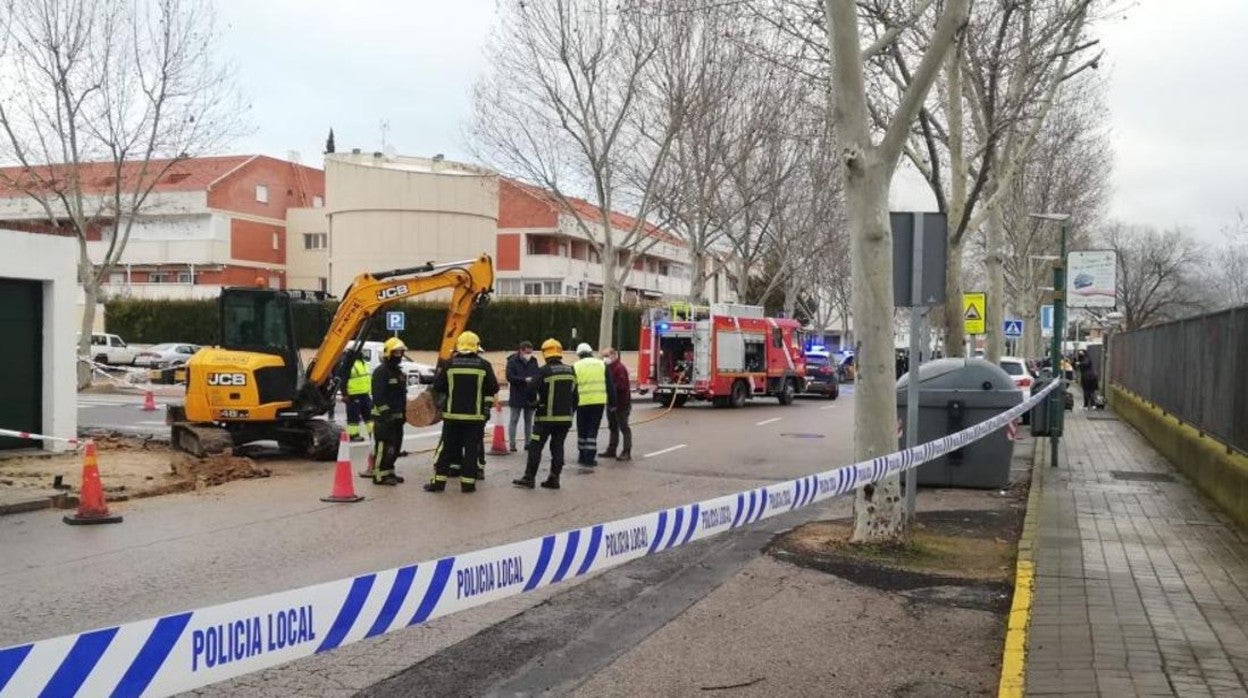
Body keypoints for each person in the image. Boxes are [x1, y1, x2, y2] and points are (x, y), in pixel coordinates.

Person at [426, 331, 499, 494]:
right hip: (475, 417)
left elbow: (438, 387)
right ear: (476, 346)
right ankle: (468, 485)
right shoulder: (484, 365)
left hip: (452, 416)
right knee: (471, 451)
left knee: (447, 450)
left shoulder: (449, 364)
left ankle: (438, 484)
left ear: (459, 346)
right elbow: (494, 388)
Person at [513, 339, 577, 490]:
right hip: (564, 419)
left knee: (535, 448)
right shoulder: (570, 371)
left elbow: (530, 391)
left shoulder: (543, 371)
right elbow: (576, 396)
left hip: (544, 419)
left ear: (544, 353)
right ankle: (554, 479)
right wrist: (570, 413)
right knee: (558, 448)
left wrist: (534, 404)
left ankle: (529, 478)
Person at [370, 337, 409, 486]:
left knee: (395, 446)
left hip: (397, 418)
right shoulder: (381, 372)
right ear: (388, 353)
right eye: (396, 352)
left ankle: (389, 471)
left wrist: (403, 414)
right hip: (383, 418)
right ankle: (379, 475)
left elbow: (401, 396)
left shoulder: (398, 372)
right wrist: (386, 414)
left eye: (401, 352)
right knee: (383, 446)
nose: (399, 356)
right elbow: (378, 395)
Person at [572, 343, 614, 467]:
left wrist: (571, 406)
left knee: (582, 430)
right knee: (592, 430)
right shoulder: (602, 365)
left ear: (579, 354)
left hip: (582, 403)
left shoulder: (575, 366)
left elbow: (572, 388)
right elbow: (610, 385)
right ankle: (589, 458)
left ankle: (582, 455)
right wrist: (612, 403)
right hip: (598, 403)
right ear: (591, 352)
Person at [505, 341, 540, 452]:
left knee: (528, 421)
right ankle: (512, 444)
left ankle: (528, 443)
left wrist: (534, 380)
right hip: (517, 394)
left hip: (530, 395)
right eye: (527, 352)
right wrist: (524, 380)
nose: (529, 354)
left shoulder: (534, 361)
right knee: (514, 419)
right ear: (521, 350)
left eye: (530, 352)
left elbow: (537, 374)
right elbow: (509, 376)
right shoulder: (512, 361)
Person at [599, 347, 632, 461]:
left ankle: (626, 451)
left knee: (624, 427)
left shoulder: (619, 368)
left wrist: (610, 388)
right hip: (611, 403)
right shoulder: (607, 368)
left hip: (621, 404)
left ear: (613, 355)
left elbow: (622, 387)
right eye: (603, 356)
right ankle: (612, 449)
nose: (605, 358)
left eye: (607, 356)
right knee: (613, 427)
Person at [342, 349, 373, 442]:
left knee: (369, 416)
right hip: (353, 395)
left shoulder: (364, 363)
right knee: (353, 417)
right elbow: (343, 380)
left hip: (365, 394)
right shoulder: (348, 365)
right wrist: (345, 394)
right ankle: (353, 435)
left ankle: (373, 433)